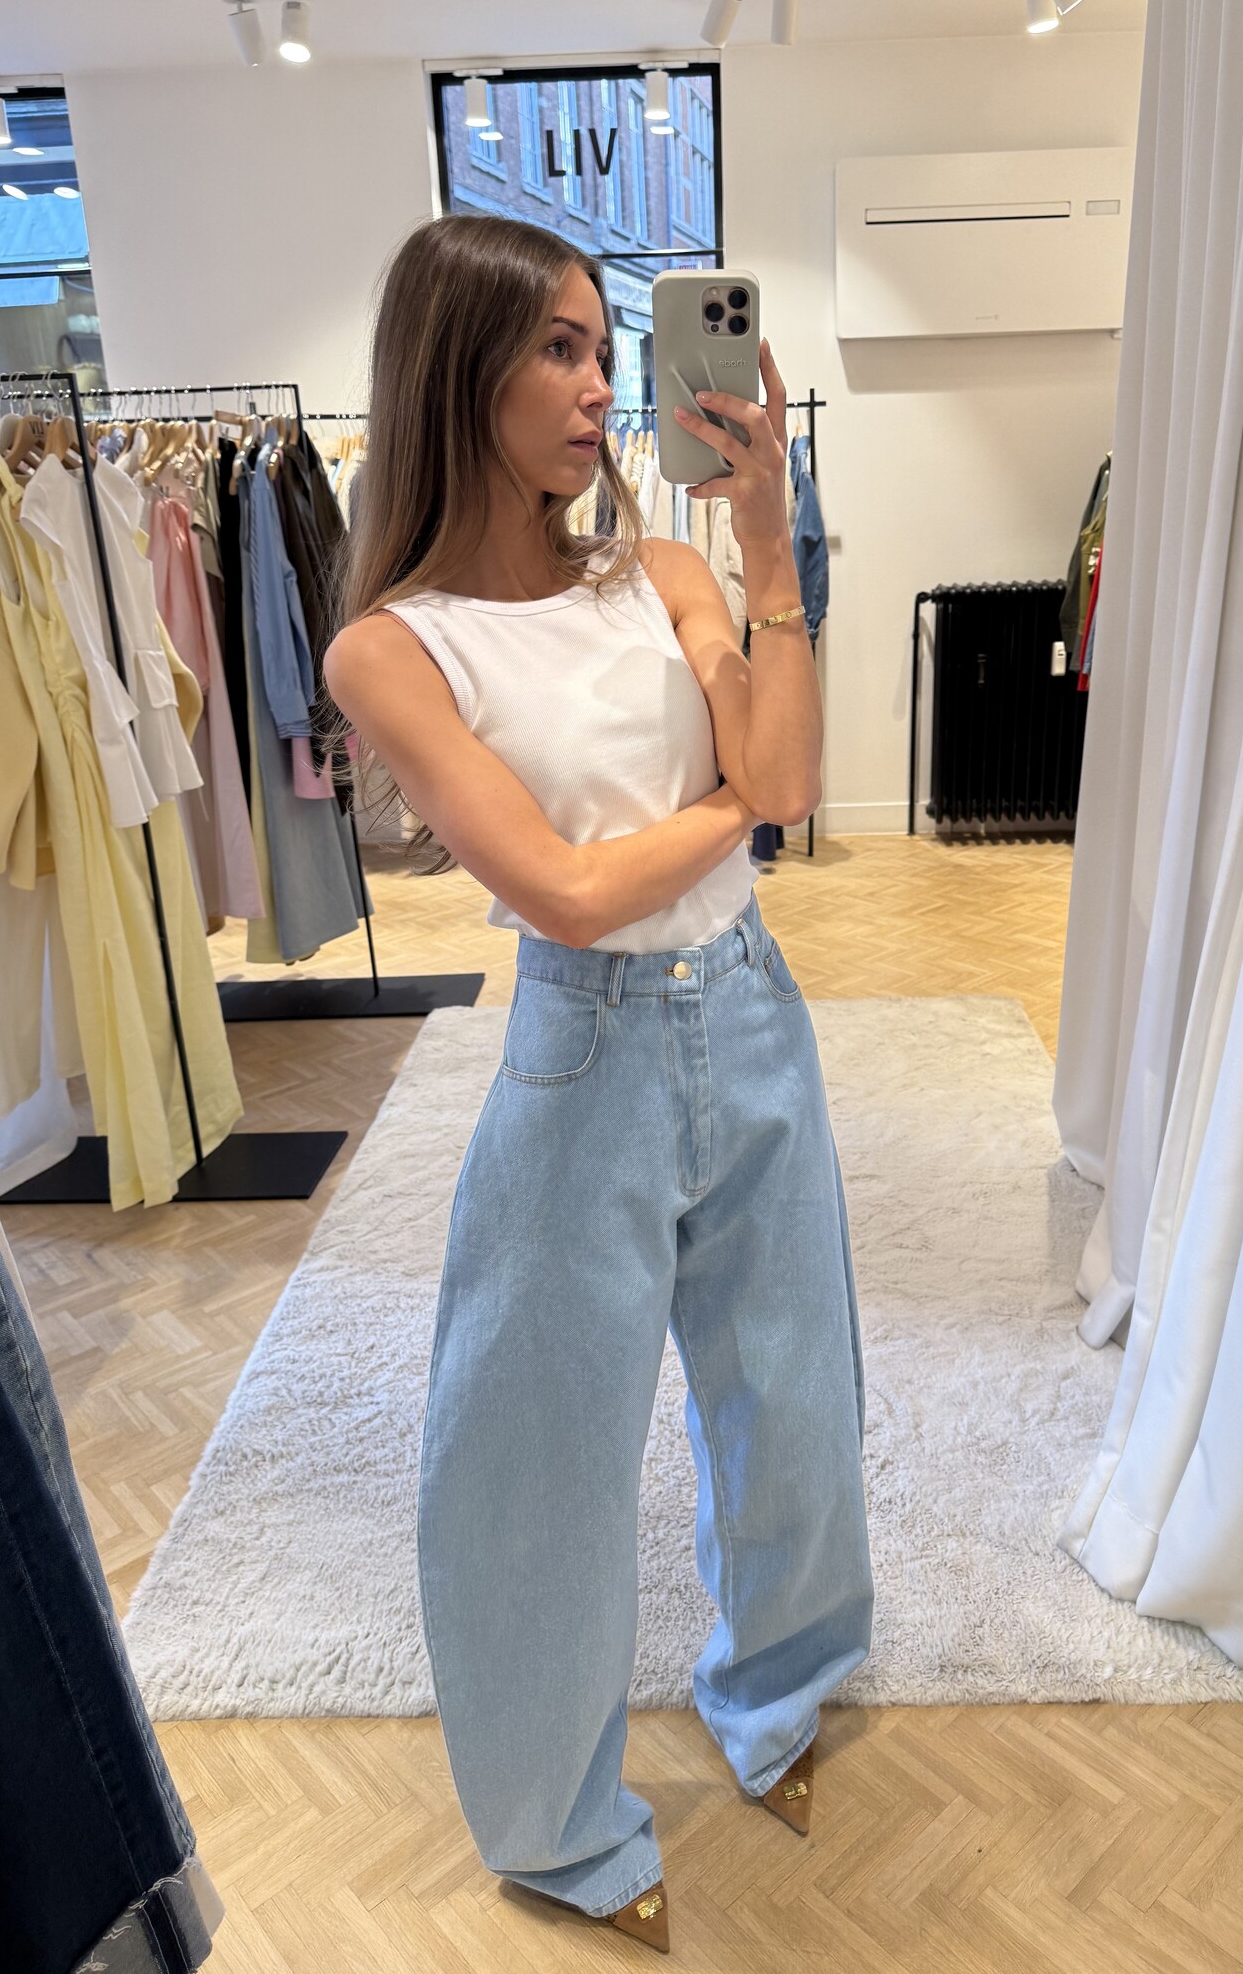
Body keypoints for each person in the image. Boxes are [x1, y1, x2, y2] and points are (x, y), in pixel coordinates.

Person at [322, 214, 874, 1956]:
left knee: (793, 1392)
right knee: (531, 1449)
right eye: (553, 347)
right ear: (458, 367)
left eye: (597, 346)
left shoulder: (669, 575)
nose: (593, 384)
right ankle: (557, 1824)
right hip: (584, 1047)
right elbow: (563, 893)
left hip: (752, 1011)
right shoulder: (395, 647)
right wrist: (730, 810)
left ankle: (778, 1690)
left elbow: (793, 771)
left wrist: (768, 541)